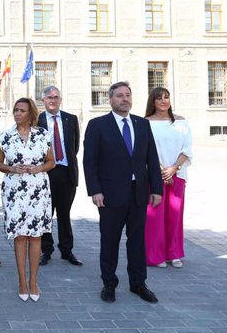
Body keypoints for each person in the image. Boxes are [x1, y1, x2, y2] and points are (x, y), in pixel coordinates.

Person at [83, 81, 162, 304]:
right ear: (110, 99)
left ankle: (138, 283)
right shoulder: (98, 125)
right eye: (119, 95)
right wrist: (95, 190)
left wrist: (156, 188)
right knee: (110, 241)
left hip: (139, 193)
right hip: (110, 195)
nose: (124, 99)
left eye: (128, 95)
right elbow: (90, 162)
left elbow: (151, 158)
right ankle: (109, 283)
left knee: (137, 241)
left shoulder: (142, 124)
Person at [0, 98, 54, 302]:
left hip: (38, 189)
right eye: (15, 110)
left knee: (36, 236)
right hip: (14, 191)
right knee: (20, 236)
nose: (17, 113)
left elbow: (51, 162)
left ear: (31, 114)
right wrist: (12, 168)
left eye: (22, 110)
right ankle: (21, 280)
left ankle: (34, 281)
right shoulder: (5, 136)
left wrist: (38, 168)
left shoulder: (43, 135)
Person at [144, 87, 193, 268]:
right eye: (159, 98)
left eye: (167, 97)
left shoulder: (182, 123)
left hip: (177, 174)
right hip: (154, 175)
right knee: (154, 217)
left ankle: (173, 253)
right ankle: (155, 255)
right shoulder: (145, 123)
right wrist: (161, 171)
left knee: (175, 214)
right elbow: (145, 151)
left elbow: (187, 149)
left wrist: (173, 168)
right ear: (153, 102)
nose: (164, 101)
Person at [37, 86, 82, 267]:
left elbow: (75, 147)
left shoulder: (71, 119)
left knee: (64, 213)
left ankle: (67, 250)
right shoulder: (37, 120)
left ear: (60, 99)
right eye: (49, 97)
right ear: (44, 101)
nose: (53, 101)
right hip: (45, 173)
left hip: (66, 173)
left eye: (56, 97)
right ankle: (46, 251)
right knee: (46, 214)